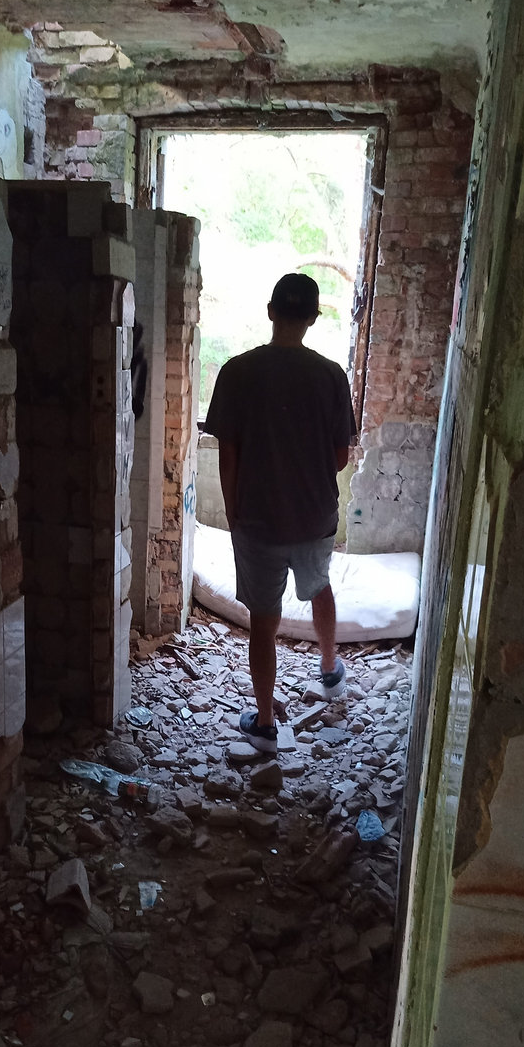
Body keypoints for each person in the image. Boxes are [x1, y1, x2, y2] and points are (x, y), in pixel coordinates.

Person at [204, 272, 358, 755]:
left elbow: (228, 454)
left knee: (263, 623)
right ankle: (330, 672)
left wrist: (235, 512)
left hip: (258, 520)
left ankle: (265, 725)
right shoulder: (331, 376)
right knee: (319, 586)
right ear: (313, 317)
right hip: (314, 517)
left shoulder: (237, 372)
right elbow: (341, 456)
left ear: (271, 311)